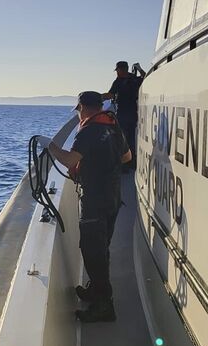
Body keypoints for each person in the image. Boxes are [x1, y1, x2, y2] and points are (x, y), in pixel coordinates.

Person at [36, 91, 132, 323]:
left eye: (78, 110)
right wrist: (100, 164)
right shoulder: (112, 123)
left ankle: (104, 306)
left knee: (92, 250)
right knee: (102, 247)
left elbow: (69, 160)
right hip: (112, 197)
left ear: (81, 107)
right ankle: (95, 289)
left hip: (95, 201)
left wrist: (51, 147)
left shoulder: (88, 130)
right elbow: (127, 157)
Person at [101, 61, 145, 171]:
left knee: (122, 139)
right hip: (133, 113)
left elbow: (110, 94)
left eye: (117, 71)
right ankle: (132, 163)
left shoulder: (119, 82)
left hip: (123, 113)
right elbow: (145, 77)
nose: (116, 73)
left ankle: (125, 165)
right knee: (130, 139)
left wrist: (97, 97)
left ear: (122, 70)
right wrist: (139, 69)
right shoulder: (134, 78)